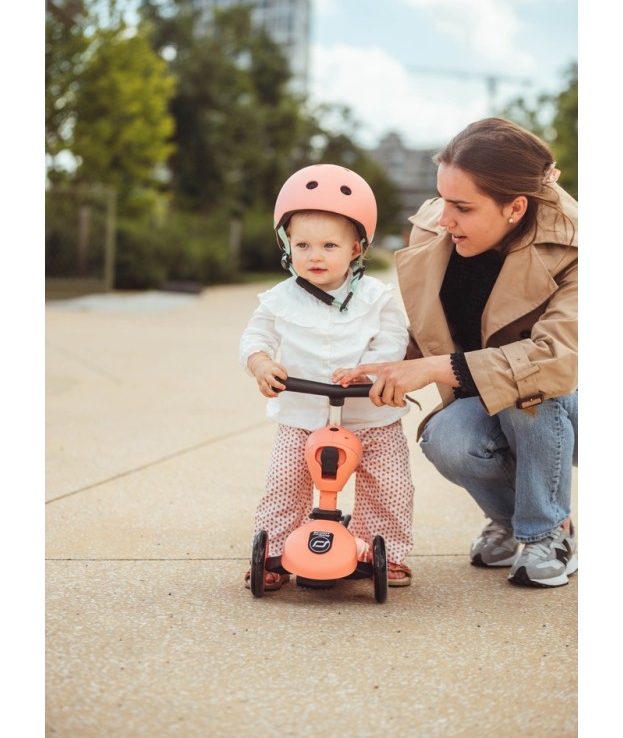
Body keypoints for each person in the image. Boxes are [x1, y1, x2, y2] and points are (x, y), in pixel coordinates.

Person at [334, 118, 578, 589]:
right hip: (487, 396)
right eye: (442, 198)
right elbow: (432, 333)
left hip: (567, 403)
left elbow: (554, 360)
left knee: (527, 394)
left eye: (462, 207)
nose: (444, 218)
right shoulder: (437, 231)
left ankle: (549, 533)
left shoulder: (578, 248)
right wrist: (377, 362)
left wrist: (432, 369)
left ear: (515, 207)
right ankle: (509, 522)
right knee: (447, 438)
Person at [239, 163, 415, 590]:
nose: (314, 256)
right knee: (284, 483)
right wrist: (261, 362)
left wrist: (370, 367)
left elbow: (394, 338)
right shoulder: (280, 299)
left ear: (355, 248)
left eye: (329, 245)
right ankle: (274, 553)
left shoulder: (377, 297)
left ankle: (384, 551)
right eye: (302, 244)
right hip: (302, 415)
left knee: (389, 484)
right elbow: (255, 335)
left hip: (370, 415)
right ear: (287, 245)